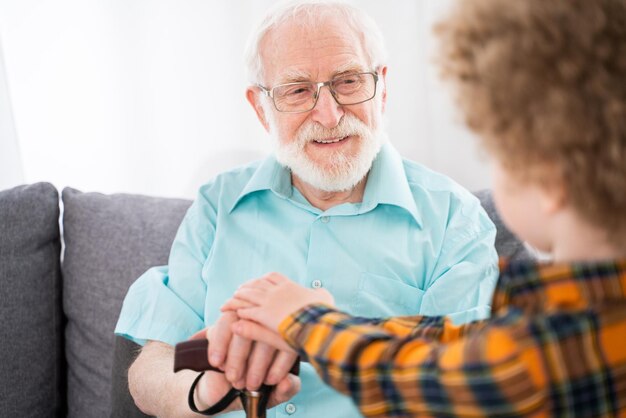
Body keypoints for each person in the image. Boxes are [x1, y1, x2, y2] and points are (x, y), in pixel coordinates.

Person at [222, 0, 626, 416]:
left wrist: (305, 321)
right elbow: (455, 338)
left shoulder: (554, 350)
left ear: (549, 179)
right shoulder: (577, 309)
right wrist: (319, 317)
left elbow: (431, 379)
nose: (328, 112)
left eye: (498, 152)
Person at [115, 1, 499, 416]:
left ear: (382, 88)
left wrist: (321, 330)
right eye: (298, 90)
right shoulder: (217, 205)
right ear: (261, 108)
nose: (329, 115)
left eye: (348, 81)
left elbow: (462, 388)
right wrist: (209, 391)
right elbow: (154, 364)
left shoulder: (455, 220)